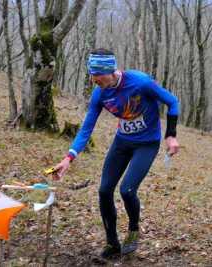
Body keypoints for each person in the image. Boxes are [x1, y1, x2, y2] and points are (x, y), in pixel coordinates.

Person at [52, 48, 180, 258]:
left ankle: (133, 229)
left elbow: (172, 101)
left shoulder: (140, 82)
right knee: (104, 191)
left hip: (146, 144)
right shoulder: (100, 94)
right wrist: (69, 158)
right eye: (90, 74)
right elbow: (86, 129)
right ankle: (112, 243)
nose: (93, 79)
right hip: (122, 143)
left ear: (110, 71)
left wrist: (171, 135)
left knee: (127, 190)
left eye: (96, 74)